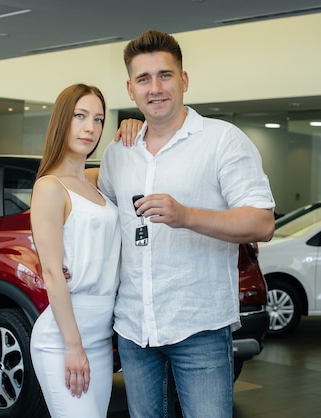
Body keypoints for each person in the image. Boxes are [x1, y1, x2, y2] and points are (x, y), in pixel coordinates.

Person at [98, 30, 276, 418]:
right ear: (130, 89)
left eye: (165, 75)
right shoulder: (117, 153)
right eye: (143, 79)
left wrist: (187, 216)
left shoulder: (222, 140)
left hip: (199, 327)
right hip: (134, 328)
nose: (155, 87)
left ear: (184, 80)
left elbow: (262, 222)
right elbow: (106, 225)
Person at [29, 83, 124, 417]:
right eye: (80, 116)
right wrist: (73, 346)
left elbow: (131, 161)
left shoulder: (94, 180)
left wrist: (133, 125)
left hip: (100, 337)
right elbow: (53, 273)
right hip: (63, 339)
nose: (90, 128)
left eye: (99, 119)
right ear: (61, 121)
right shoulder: (49, 187)